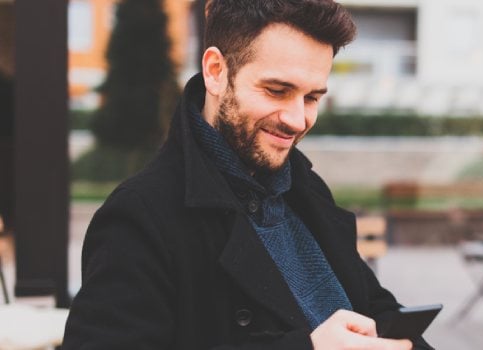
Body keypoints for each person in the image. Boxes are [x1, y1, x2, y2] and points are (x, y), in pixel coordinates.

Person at [62, 1, 432, 349]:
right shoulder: (141, 216)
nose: (297, 120)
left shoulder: (307, 191)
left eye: (312, 98)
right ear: (216, 71)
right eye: (277, 91)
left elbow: (379, 310)